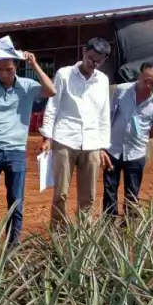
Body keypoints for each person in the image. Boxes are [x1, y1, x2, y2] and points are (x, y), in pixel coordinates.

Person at [0, 51, 55, 245]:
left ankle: (12, 245)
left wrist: (34, 64)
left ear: (16, 67)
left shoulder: (27, 86)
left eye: (8, 69)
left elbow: (51, 90)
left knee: (16, 202)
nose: (4, 74)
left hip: (16, 151)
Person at [39, 38, 113, 225]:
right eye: (90, 58)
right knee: (60, 193)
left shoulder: (102, 80)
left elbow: (103, 113)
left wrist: (103, 146)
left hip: (92, 142)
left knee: (88, 195)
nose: (93, 63)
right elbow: (53, 105)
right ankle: (59, 234)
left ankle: (83, 236)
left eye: (98, 61)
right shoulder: (64, 74)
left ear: (104, 60)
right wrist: (47, 136)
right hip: (65, 139)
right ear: (83, 52)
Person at [103, 62, 153, 219]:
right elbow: (108, 115)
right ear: (139, 75)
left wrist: (139, 136)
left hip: (136, 153)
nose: (148, 85)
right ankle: (108, 226)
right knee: (109, 189)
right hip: (113, 149)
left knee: (132, 192)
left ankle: (129, 227)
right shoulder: (121, 90)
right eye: (146, 80)